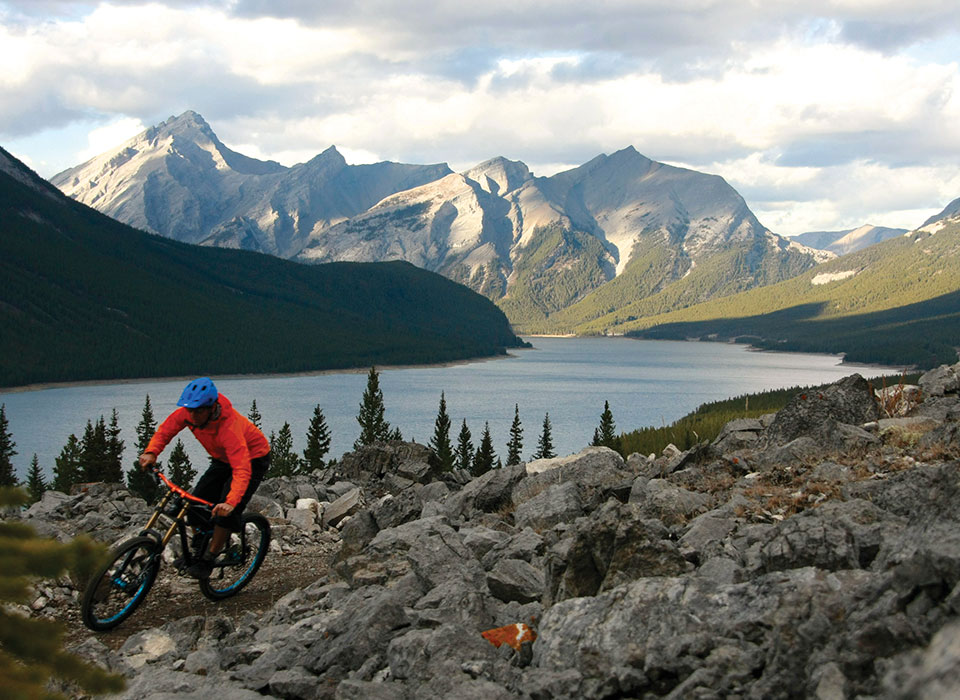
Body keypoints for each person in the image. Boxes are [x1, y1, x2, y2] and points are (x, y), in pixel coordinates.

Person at [139, 377, 270, 579]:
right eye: (190, 410)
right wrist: (151, 452)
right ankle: (199, 549)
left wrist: (230, 502)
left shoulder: (229, 427)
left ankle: (209, 558)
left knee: (224, 513)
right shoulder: (188, 414)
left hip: (253, 458)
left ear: (211, 407)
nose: (192, 415)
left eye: (198, 410)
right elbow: (166, 430)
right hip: (222, 459)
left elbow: (242, 469)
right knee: (194, 505)